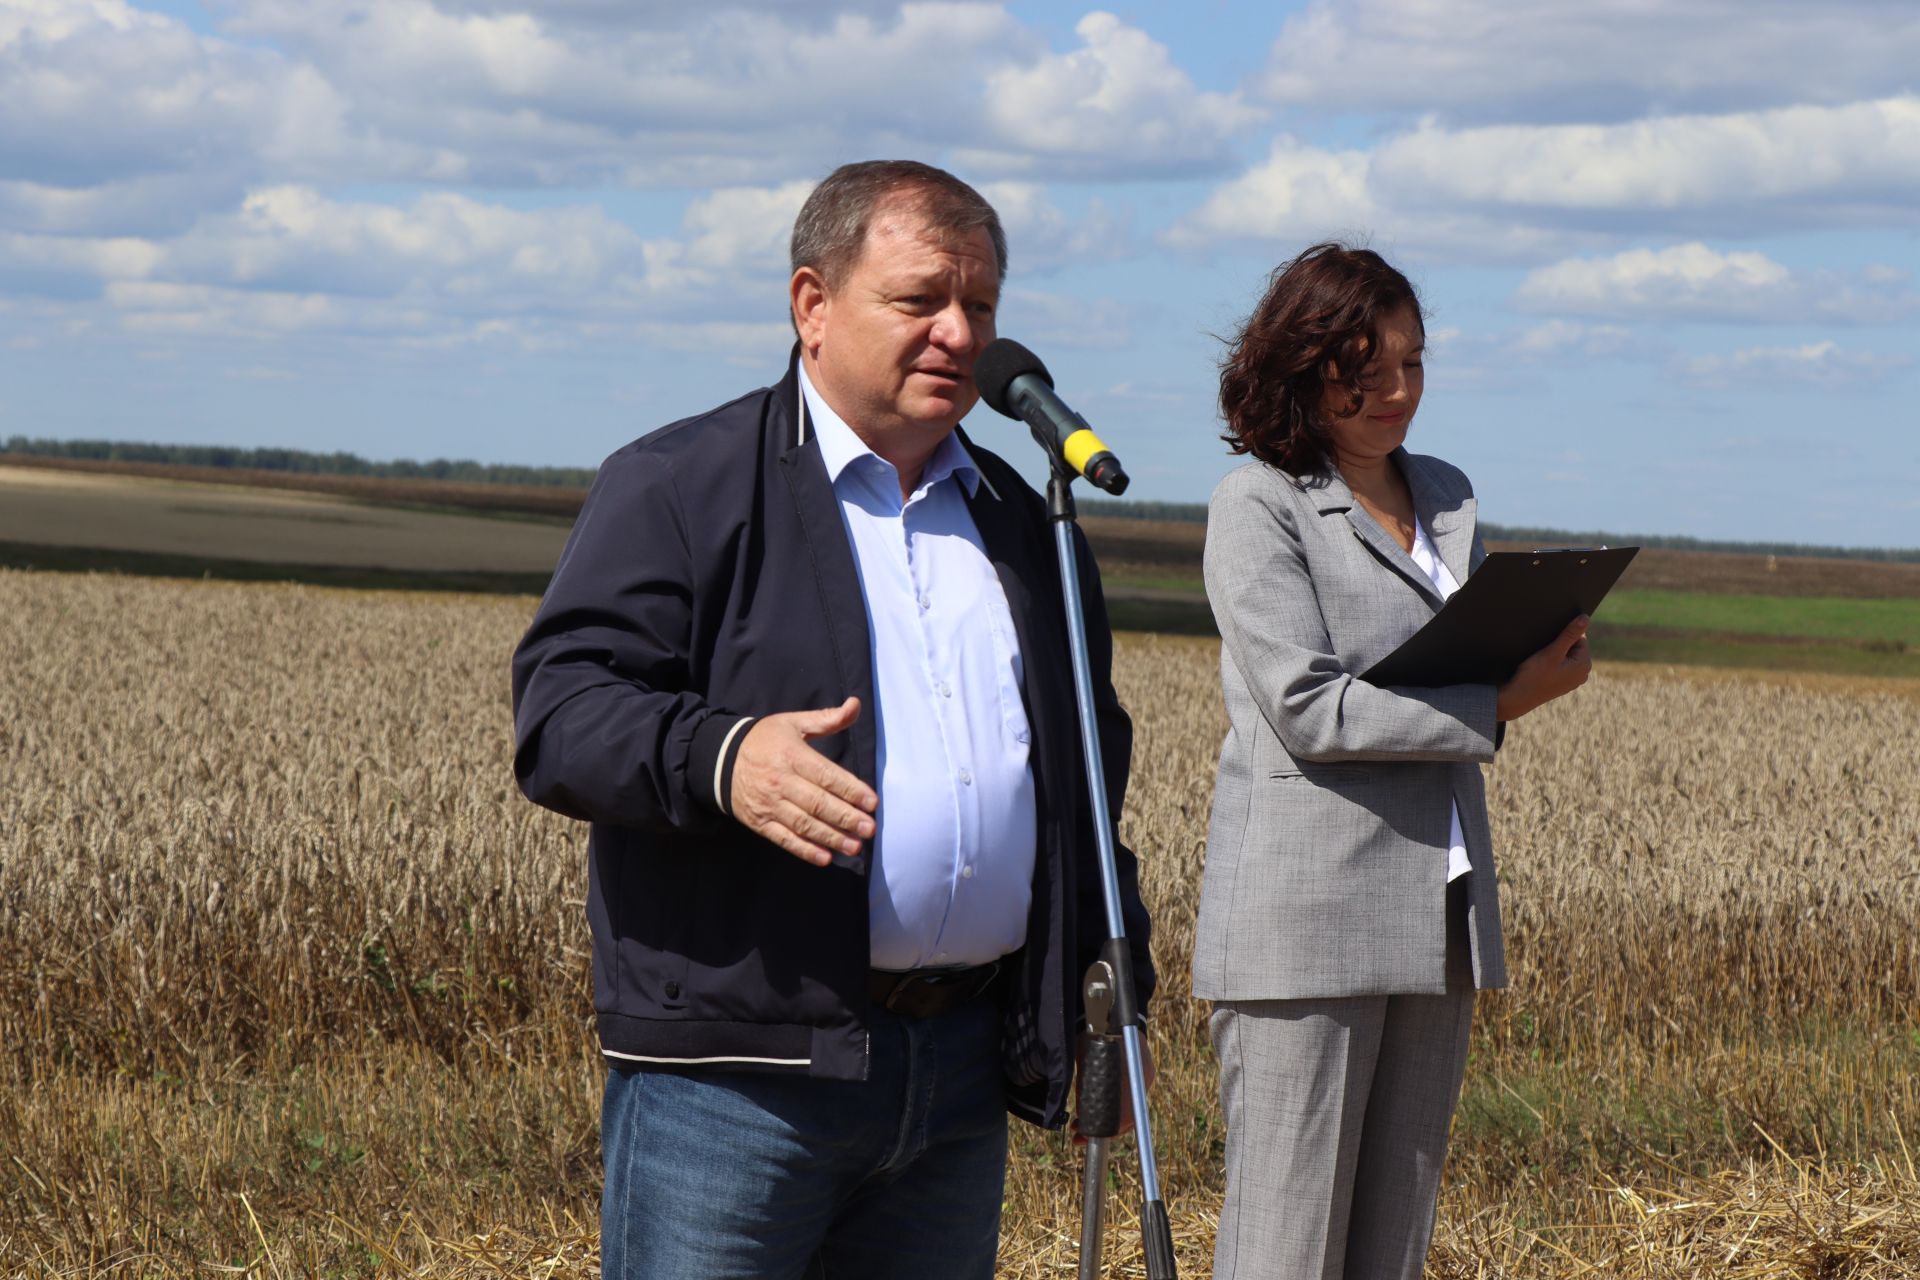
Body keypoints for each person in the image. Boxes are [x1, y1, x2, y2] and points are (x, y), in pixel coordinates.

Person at [510, 160, 1154, 1280]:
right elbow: (561, 712)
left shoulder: (1022, 523)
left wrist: (1100, 996)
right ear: (812, 304)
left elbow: (1092, 778)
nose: (961, 333)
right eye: (921, 301)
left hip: (955, 1074)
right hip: (736, 1079)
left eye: (983, 306)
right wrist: (723, 754)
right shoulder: (682, 483)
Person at [1193, 243, 1591, 1280]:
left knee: (1391, 1250)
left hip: (1439, 907)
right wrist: (1497, 703)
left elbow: (1434, 663)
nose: (1394, 392)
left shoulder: (1448, 491)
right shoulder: (1258, 503)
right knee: (1284, 1250)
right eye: (1360, 370)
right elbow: (1307, 707)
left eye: (1412, 364)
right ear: (1296, 364)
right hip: (1304, 920)